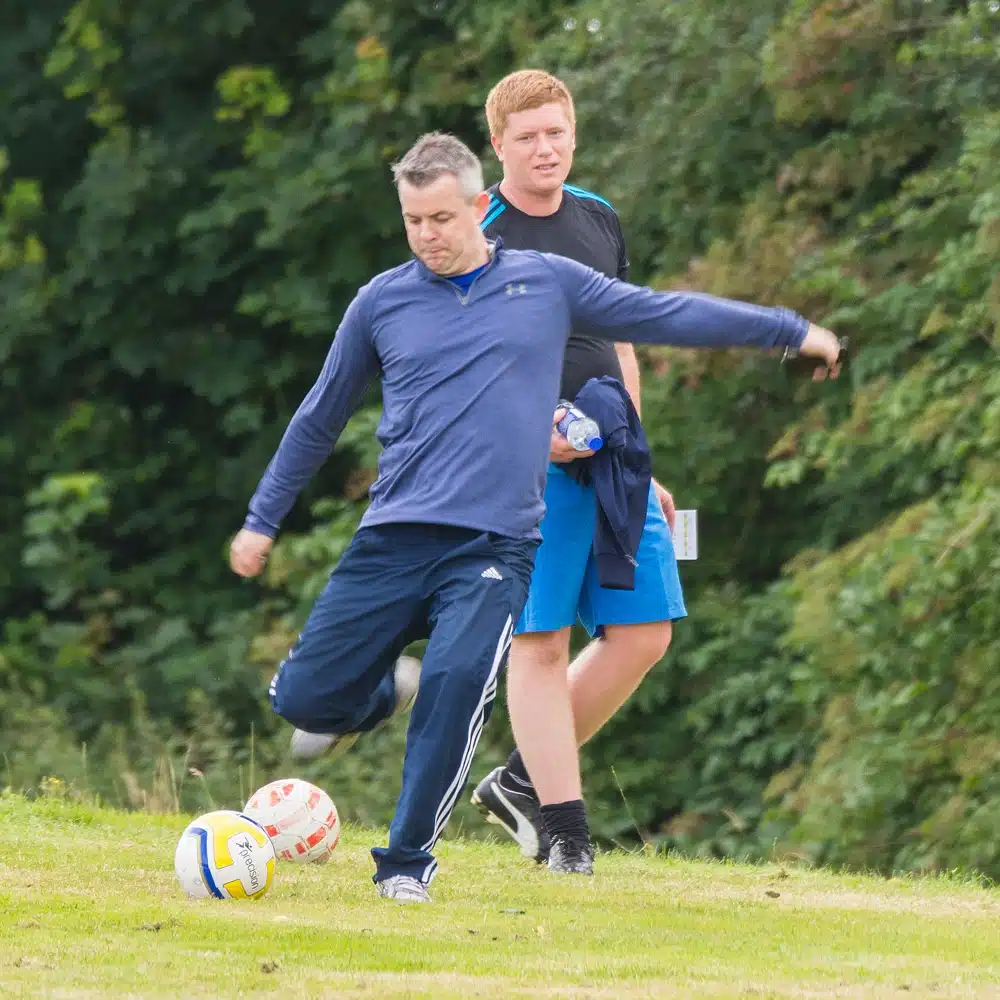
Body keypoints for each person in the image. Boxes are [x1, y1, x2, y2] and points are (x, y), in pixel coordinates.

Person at [229, 131, 841, 903]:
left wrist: (788, 331)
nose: (428, 236)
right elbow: (319, 418)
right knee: (304, 702)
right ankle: (386, 689)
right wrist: (262, 519)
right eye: (414, 221)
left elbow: (665, 315)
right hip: (394, 534)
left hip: (497, 543)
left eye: (442, 219)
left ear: (480, 209)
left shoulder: (547, 283)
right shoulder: (382, 301)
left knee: (457, 685)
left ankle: (407, 863)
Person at [469, 69, 689, 871]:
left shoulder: (598, 217)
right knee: (540, 642)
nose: (545, 148)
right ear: (498, 146)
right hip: (521, 474)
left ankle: (524, 781)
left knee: (643, 634)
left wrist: (639, 454)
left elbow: (620, 341)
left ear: (574, 133)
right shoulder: (476, 228)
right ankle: (566, 834)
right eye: (526, 137)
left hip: (613, 462)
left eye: (556, 132)